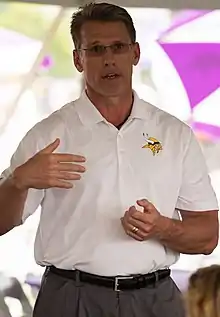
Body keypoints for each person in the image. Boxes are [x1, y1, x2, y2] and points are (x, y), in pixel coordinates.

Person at [0, 2, 219, 317]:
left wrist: (162, 227)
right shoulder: (47, 135)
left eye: (118, 47)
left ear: (135, 53)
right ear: (78, 59)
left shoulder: (175, 135)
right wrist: (18, 181)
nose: (108, 60)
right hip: (70, 299)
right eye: (96, 49)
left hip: (156, 300)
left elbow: (208, 236)